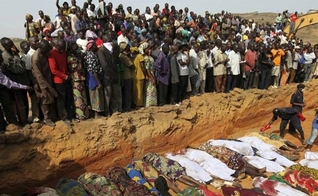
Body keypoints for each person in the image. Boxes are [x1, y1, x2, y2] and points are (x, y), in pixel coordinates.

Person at [0, 50, 32, 133]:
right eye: (1, 57)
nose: (3, 58)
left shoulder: (1, 67)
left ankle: (11, 124)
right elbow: (9, 83)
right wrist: (25, 87)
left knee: (8, 106)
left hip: (3, 88)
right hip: (4, 86)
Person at [32, 40, 58, 127]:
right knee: (45, 100)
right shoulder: (36, 58)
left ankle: (52, 116)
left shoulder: (44, 53)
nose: (48, 51)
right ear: (42, 48)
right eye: (47, 49)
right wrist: (49, 87)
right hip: (41, 82)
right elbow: (39, 75)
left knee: (50, 98)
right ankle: (47, 118)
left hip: (47, 77)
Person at [48, 38, 73, 126]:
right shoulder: (52, 54)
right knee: (61, 100)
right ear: (57, 46)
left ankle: (70, 115)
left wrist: (68, 74)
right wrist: (64, 76)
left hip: (66, 78)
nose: (63, 49)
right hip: (58, 81)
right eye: (61, 48)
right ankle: (64, 117)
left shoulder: (63, 52)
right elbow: (54, 70)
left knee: (68, 98)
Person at [67, 43, 89, 120]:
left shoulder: (76, 56)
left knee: (83, 96)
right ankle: (80, 115)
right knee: (78, 98)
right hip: (75, 79)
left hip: (80, 78)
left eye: (77, 48)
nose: (77, 50)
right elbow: (78, 68)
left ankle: (85, 114)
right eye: (75, 49)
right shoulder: (70, 58)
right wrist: (80, 60)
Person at [84, 40, 104, 119]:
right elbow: (94, 70)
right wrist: (99, 82)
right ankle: (96, 114)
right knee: (95, 96)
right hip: (93, 78)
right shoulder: (91, 56)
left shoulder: (89, 54)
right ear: (91, 47)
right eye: (95, 45)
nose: (96, 47)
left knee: (95, 95)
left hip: (92, 77)